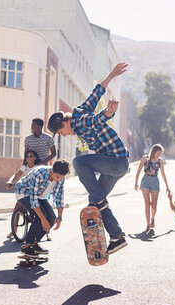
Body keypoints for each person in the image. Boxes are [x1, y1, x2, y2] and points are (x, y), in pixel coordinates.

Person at [47, 63, 129, 255]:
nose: (65, 135)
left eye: (61, 131)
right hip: (116, 164)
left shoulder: (80, 121)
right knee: (96, 201)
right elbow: (97, 92)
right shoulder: (80, 110)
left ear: (65, 122)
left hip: (115, 162)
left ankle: (99, 204)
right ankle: (117, 237)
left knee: (79, 162)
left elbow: (96, 120)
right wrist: (112, 74)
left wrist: (109, 113)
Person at [15, 160, 70, 258]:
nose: (58, 180)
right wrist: (43, 219)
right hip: (24, 193)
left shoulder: (61, 178)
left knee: (52, 218)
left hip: (40, 195)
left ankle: (35, 244)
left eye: (61, 178)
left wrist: (60, 217)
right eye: (57, 177)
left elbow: (59, 197)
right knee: (42, 216)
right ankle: (27, 245)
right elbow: (33, 200)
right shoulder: (39, 173)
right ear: (52, 170)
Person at [134, 144, 171, 231]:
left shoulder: (160, 161)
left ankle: (152, 219)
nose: (159, 155)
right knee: (147, 204)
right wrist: (136, 183)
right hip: (145, 180)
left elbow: (163, 174)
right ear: (154, 151)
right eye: (158, 153)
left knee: (154, 205)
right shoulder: (145, 158)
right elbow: (139, 170)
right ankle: (147, 224)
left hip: (155, 181)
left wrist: (167, 187)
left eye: (160, 153)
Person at [5, 149, 40, 238]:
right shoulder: (25, 167)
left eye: (31, 156)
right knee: (16, 208)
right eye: (27, 156)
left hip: (35, 191)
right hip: (24, 190)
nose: (28, 158)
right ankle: (14, 230)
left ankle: (46, 232)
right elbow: (16, 174)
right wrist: (10, 181)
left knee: (39, 209)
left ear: (35, 158)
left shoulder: (38, 167)